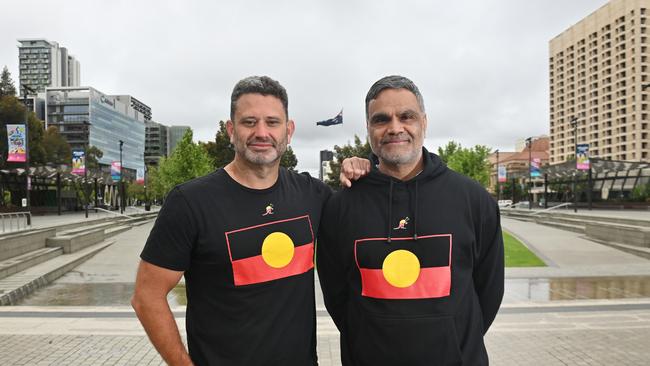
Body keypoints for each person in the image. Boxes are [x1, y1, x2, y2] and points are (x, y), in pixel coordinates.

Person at [132, 75, 368, 366]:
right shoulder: (190, 202)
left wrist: (362, 171)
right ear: (231, 130)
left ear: (289, 130)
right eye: (249, 122)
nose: (261, 132)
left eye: (272, 122)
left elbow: (366, 219)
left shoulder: (312, 195)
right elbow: (147, 296)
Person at [317, 75, 504, 365]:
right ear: (369, 128)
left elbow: (489, 291)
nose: (395, 128)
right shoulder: (341, 206)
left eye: (407, 116)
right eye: (381, 119)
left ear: (424, 123)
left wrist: (453, 339)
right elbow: (337, 296)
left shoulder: (472, 200)